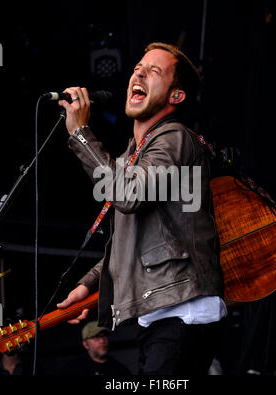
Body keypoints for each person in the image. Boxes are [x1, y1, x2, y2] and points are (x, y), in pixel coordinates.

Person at [57, 42, 227, 375]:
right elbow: (127, 241)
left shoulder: (175, 139)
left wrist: (80, 133)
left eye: (154, 71)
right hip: (163, 312)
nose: (139, 72)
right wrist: (90, 284)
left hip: (182, 310)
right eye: (138, 67)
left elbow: (129, 195)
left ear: (175, 96)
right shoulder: (133, 157)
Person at [59, 321, 131, 376]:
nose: (102, 341)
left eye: (104, 336)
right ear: (85, 344)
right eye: (96, 337)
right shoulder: (73, 369)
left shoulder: (119, 369)